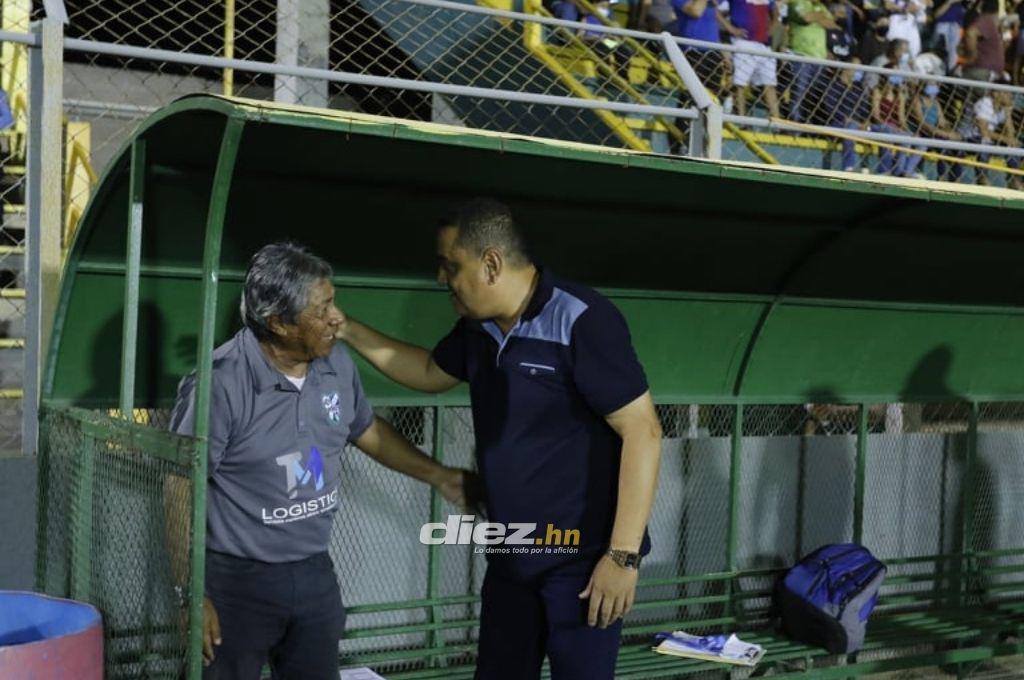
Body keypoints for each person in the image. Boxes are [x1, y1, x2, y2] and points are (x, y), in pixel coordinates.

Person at [335, 198, 663, 680]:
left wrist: (622, 557)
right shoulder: (477, 329)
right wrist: (346, 329)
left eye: (451, 266)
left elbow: (644, 431)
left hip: (582, 562)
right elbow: (428, 371)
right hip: (512, 554)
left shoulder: (581, 318)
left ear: (490, 264)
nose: (442, 279)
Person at [167, 242, 469, 680]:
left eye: (333, 302)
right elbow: (179, 485)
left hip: (313, 572)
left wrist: (439, 475)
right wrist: (190, 594)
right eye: (322, 308)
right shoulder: (221, 384)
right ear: (279, 323)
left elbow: (366, 431)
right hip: (237, 580)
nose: (336, 319)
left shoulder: (334, 364)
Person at [953, 87, 1022, 187]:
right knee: (985, 142)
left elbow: (1011, 135)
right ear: (995, 93)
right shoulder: (984, 103)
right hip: (967, 137)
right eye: (1007, 93)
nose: (1010, 96)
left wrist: (1008, 115)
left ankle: (1013, 179)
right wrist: (1006, 139)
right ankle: (982, 178)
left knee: (1014, 147)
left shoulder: (1002, 108)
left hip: (987, 139)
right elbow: (983, 130)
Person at [725, 0, 783, 117]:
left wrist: (772, 26)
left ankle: (778, 123)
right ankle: (741, 119)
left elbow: (775, 11)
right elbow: (716, 9)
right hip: (743, 42)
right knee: (739, 84)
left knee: (770, 84)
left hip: (764, 45)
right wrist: (731, 29)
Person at [787, 0, 840, 122]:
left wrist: (814, 16)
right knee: (799, 91)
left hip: (819, 58)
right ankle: (795, 122)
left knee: (814, 95)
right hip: (801, 55)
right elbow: (805, 18)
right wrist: (819, 16)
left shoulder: (821, 6)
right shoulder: (796, 2)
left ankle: (809, 121)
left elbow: (832, 24)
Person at [821, 59, 873, 170]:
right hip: (838, 124)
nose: (859, 72)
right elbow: (831, 110)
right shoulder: (833, 86)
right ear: (845, 68)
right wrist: (852, 121)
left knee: (887, 130)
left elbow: (864, 111)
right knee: (851, 127)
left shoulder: (858, 88)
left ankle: (890, 171)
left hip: (859, 125)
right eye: (856, 68)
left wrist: (866, 121)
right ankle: (849, 167)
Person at [870, 73, 924, 176]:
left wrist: (909, 131)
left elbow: (902, 119)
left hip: (895, 128)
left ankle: (903, 171)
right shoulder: (878, 91)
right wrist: (891, 127)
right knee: (888, 132)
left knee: (913, 140)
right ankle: (885, 169)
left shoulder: (899, 94)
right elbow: (876, 116)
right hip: (880, 125)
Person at [909, 79, 960, 178]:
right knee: (942, 145)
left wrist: (950, 131)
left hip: (935, 133)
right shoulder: (917, 100)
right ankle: (941, 176)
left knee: (957, 149)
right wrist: (939, 132)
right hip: (921, 131)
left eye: (935, 85)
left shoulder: (935, 103)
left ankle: (955, 178)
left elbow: (942, 122)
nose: (934, 87)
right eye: (931, 85)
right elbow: (921, 122)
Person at [962, 0, 1005, 81]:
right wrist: (972, 57)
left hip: (987, 72)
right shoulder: (986, 21)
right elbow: (971, 33)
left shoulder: (989, 23)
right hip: (983, 72)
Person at [930, 0, 965, 72]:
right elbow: (936, 15)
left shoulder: (961, 4)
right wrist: (949, 2)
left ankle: (950, 73)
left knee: (953, 55)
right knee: (938, 53)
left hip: (957, 28)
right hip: (942, 27)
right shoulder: (941, 2)